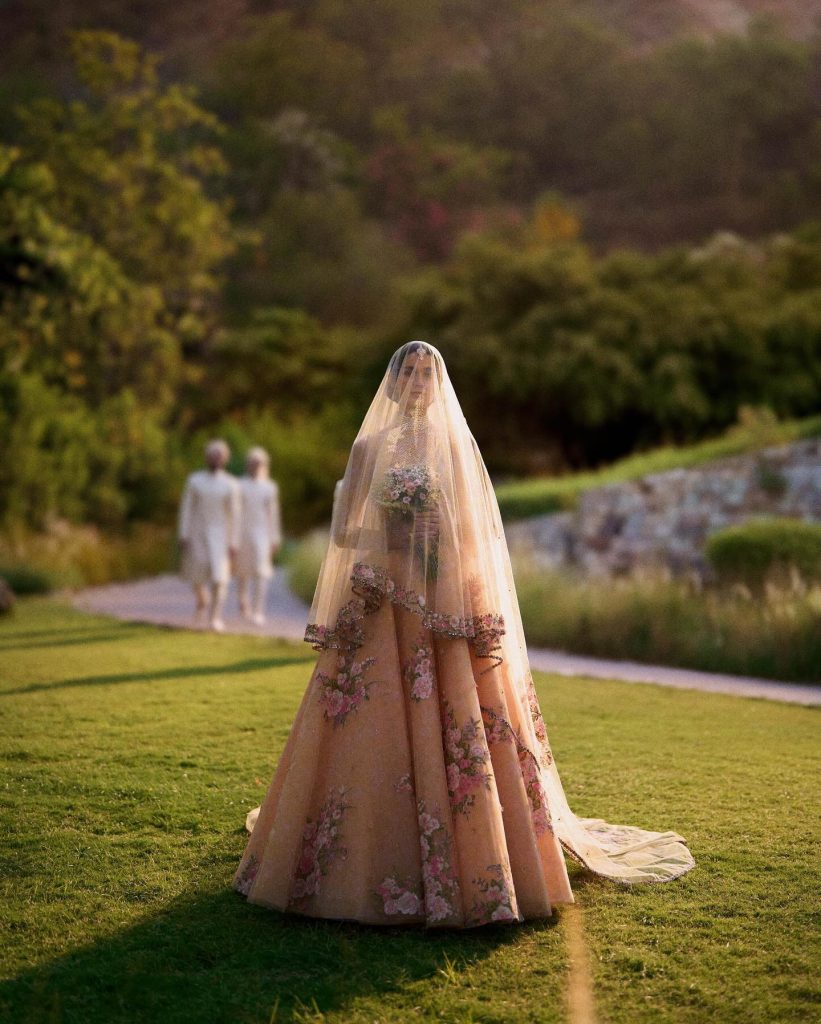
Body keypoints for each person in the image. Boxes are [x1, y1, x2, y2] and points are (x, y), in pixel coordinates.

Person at [234, 342, 694, 926]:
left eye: (430, 372)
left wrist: (439, 529)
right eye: (411, 372)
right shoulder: (368, 447)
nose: (421, 381)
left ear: (438, 381)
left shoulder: (456, 449)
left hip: (443, 601)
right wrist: (392, 532)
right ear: (395, 383)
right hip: (383, 601)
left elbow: (480, 540)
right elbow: (345, 537)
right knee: (368, 722)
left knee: (460, 719)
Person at [178, 439, 240, 633]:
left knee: (220, 578)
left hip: (221, 536)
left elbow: (235, 515)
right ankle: (202, 599)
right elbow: (187, 508)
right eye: (212, 455)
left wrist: (234, 542)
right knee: (196, 573)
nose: (215, 459)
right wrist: (184, 533)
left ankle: (215, 617)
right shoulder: (194, 480)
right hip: (197, 533)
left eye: (219, 456)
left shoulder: (230, 484)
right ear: (207, 458)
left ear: (224, 459)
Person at [236, 446, 282, 626]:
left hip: (262, 533)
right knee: (243, 571)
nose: (255, 466)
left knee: (261, 571)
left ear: (264, 465)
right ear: (248, 465)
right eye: (252, 463)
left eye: (259, 463)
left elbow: (273, 514)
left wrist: (275, 538)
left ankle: (258, 611)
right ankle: (243, 600)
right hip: (241, 533)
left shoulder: (269, 488)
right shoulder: (239, 485)